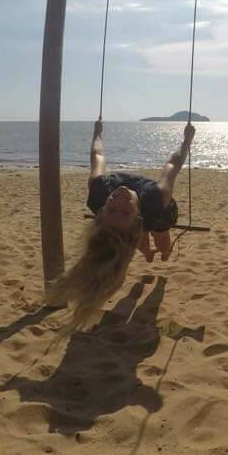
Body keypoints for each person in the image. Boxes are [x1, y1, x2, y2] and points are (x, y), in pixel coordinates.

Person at [51, 120, 194, 332]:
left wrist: (97, 132)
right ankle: (149, 252)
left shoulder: (100, 191)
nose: (118, 200)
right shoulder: (157, 198)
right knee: (151, 235)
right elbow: (173, 164)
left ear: (101, 212)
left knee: (159, 240)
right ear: (137, 219)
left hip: (145, 216)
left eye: (112, 210)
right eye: (124, 211)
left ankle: (163, 253)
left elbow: (97, 156)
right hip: (157, 211)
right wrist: (187, 141)